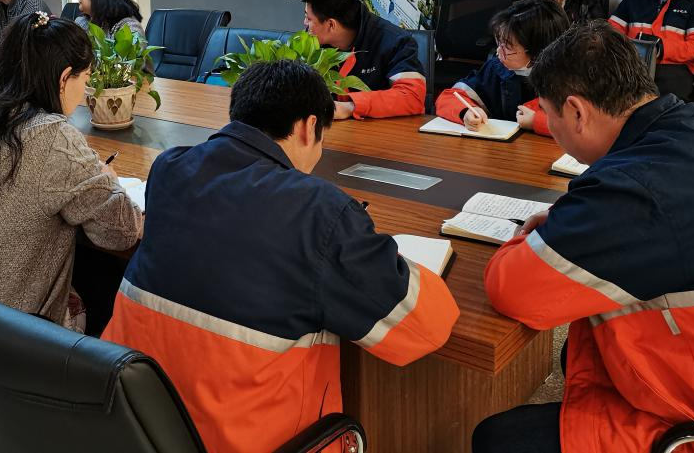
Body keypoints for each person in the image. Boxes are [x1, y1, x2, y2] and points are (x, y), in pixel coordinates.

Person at [102, 60, 458, 453]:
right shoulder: (317, 211)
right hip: (242, 441)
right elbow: (425, 328)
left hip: (133, 426)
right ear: (308, 127)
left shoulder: (170, 168)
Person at [474, 21, 694, 453]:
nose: (551, 128)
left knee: (500, 438)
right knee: (576, 351)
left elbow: (513, 289)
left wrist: (540, 231)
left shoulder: (635, 189)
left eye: (550, 116)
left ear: (576, 112)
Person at [0, 12, 143, 331]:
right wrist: (109, 180)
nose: (84, 93)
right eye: (85, 78)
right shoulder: (52, 138)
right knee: (102, 290)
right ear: (64, 78)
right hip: (2, 342)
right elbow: (120, 232)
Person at [436, 0, 569, 136]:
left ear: (539, 51)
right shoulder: (498, 68)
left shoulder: (569, 79)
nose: (499, 52)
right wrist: (466, 111)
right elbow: (449, 97)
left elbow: (579, 128)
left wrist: (537, 121)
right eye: (499, 43)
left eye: (508, 47)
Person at [299, 0, 426, 119]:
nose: (304, 23)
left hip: (378, 130)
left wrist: (350, 107)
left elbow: (411, 97)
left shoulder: (396, 42)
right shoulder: (312, 43)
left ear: (331, 25)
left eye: (308, 18)